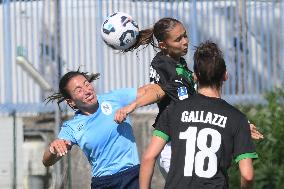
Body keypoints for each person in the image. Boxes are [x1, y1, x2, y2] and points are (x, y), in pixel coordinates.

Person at [116, 17, 263, 177]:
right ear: (163, 45)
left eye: (185, 35)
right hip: (172, 147)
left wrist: (238, 123)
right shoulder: (162, 65)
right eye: (178, 39)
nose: (185, 41)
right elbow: (156, 90)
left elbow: (193, 91)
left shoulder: (178, 63)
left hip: (186, 143)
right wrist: (133, 105)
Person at [139, 41, 258, 189]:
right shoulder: (237, 118)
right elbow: (247, 175)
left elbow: (148, 157)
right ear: (225, 75)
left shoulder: (173, 110)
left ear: (195, 76)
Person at [42, 70, 162, 189]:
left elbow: (156, 90)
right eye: (79, 90)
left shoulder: (114, 98)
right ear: (71, 102)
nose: (87, 91)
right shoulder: (72, 127)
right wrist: (53, 149)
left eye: (86, 84)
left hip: (132, 175)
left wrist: (132, 106)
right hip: (103, 182)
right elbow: (47, 161)